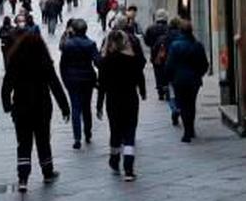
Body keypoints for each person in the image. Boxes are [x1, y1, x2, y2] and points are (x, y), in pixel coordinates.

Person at [2, 33, 70, 192]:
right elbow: (55, 85)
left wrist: (7, 104)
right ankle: (47, 173)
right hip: (42, 106)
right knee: (43, 140)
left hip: (21, 107)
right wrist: (64, 107)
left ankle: (23, 179)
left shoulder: (15, 61)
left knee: (23, 143)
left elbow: (7, 85)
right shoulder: (44, 61)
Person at [97, 30, 146, 181]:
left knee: (115, 131)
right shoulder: (132, 60)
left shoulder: (105, 62)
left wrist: (99, 105)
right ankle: (129, 169)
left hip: (113, 101)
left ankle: (114, 158)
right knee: (130, 133)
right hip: (130, 99)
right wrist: (143, 92)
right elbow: (140, 77)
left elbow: (102, 86)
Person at [165, 19, 210, 143]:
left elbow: (170, 64)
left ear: (180, 31)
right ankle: (191, 128)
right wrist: (199, 74)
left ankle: (187, 132)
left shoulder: (175, 45)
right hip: (194, 80)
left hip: (179, 80)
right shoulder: (198, 45)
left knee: (183, 104)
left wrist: (169, 78)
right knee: (191, 104)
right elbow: (205, 64)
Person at [59, 18, 99, 149]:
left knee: (75, 107)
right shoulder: (90, 44)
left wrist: (65, 79)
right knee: (86, 107)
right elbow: (98, 62)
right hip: (87, 79)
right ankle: (87, 132)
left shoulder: (67, 44)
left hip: (72, 80)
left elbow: (62, 65)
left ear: (74, 30)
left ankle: (77, 138)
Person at [143, 10, 172, 101]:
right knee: (167, 71)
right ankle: (167, 87)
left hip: (155, 54)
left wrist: (153, 45)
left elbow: (146, 41)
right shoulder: (169, 28)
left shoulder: (151, 28)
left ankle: (160, 91)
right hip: (168, 54)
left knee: (158, 72)